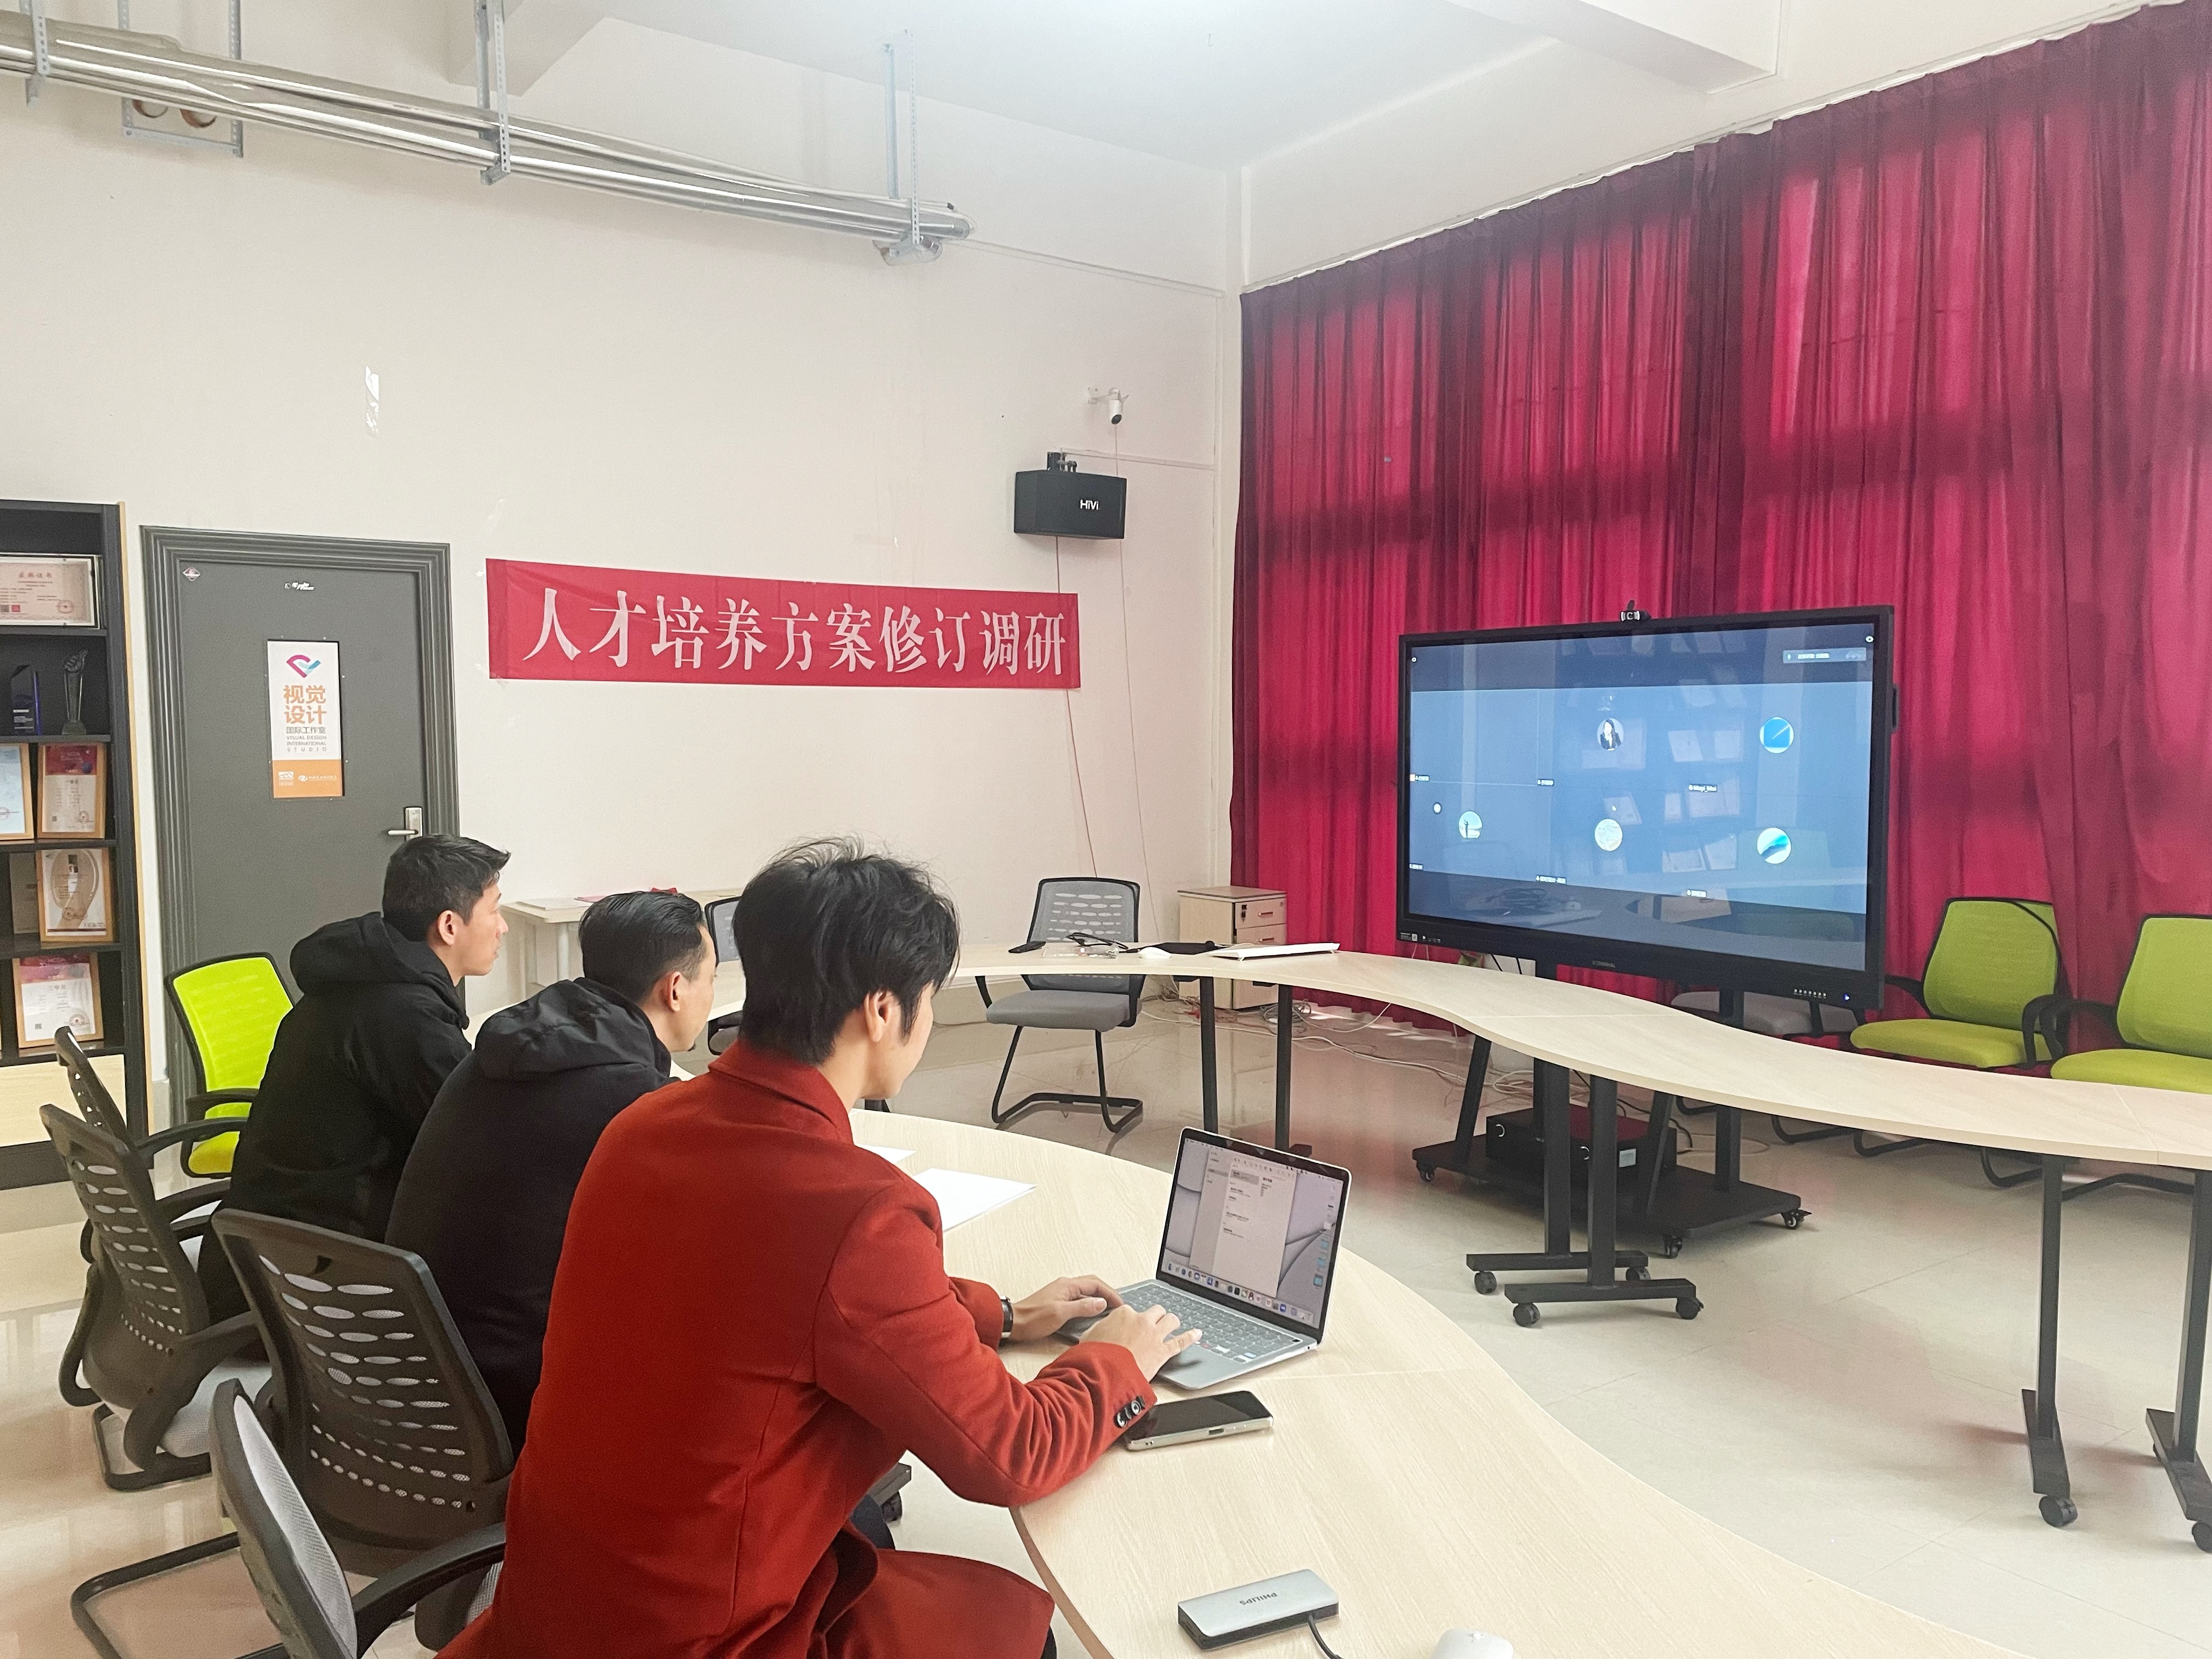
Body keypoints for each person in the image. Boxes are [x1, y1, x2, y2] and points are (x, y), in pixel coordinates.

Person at [441, 840, 1198, 1659]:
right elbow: (1011, 1453)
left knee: (871, 1543)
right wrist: (1117, 1363)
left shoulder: (640, 1127)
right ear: (882, 1011)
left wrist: (1003, 1314)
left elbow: (795, 1292)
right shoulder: (859, 1209)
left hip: (558, 1602)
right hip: (695, 1637)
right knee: (1013, 1626)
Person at [387, 890, 715, 1449]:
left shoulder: (505, 1049)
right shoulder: (631, 1100)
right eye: (710, 978)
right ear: (676, 989)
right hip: (510, 1391)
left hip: (419, 1365)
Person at [198, 834, 509, 1322]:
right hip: (311, 1288)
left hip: (261, 1255)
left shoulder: (359, 983)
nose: (502, 927)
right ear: (450, 925)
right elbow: (475, 1145)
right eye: (494, 910)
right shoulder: (405, 1016)